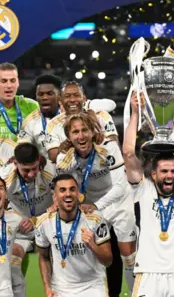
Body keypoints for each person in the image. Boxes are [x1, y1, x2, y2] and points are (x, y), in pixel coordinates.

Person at [122, 92, 174, 297]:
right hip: (148, 274)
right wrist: (135, 113)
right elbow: (128, 153)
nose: (169, 176)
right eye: (164, 171)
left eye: (173, 171)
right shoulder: (142, 190)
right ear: (153, 174)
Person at [55, 111, 137, 293]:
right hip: (93, 207)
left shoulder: (109, 148)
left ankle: (135, 293)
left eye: (85, 130)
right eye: (75, 132)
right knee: (98, 254)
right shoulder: (65, 159)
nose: (81, 136)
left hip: (119, 203)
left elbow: (120, 187)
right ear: (69, 136)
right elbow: (65, 188)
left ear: (93, 132)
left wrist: (96, 205)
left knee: (127, 254)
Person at [0, 142, 56, 296]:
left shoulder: (50, 172)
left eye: (34, 169)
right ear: (15, 163)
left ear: (39, 160)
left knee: (59, 269)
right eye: (26, 170)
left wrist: (38, 219)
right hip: (21, 229)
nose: (31, 174)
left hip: (47, 225)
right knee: (13, 268)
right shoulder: (5, 175)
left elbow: (65, 201)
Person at [35, 174, 113, 297]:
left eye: (72, 189)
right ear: (54, 197)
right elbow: (43, 257)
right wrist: (47, 287)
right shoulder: (44, 223)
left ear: (78, 194)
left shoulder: (95, 219)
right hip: (61, 288)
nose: (68, 194)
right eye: (62, 190)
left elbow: (108, 261)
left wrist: (93, 244)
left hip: (92, 286)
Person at [44, 81, 120, 163]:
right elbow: (52, 157)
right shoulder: (52, 125)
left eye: (76, 95)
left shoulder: (100, 116)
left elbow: (115, 146)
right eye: (67, 96)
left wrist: (97, 133)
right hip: (72, 173)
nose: (72, 99)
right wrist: (64, 147)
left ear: (83, 98)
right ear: (60, 100)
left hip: (102, 170)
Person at [17, 74, 62, 158]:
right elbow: (22, 150)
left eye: (50, 93)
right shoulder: (29, 123)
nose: (44, 97)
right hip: (43, 169)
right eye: (40, 94)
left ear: (59, 96)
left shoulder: (69, 116)